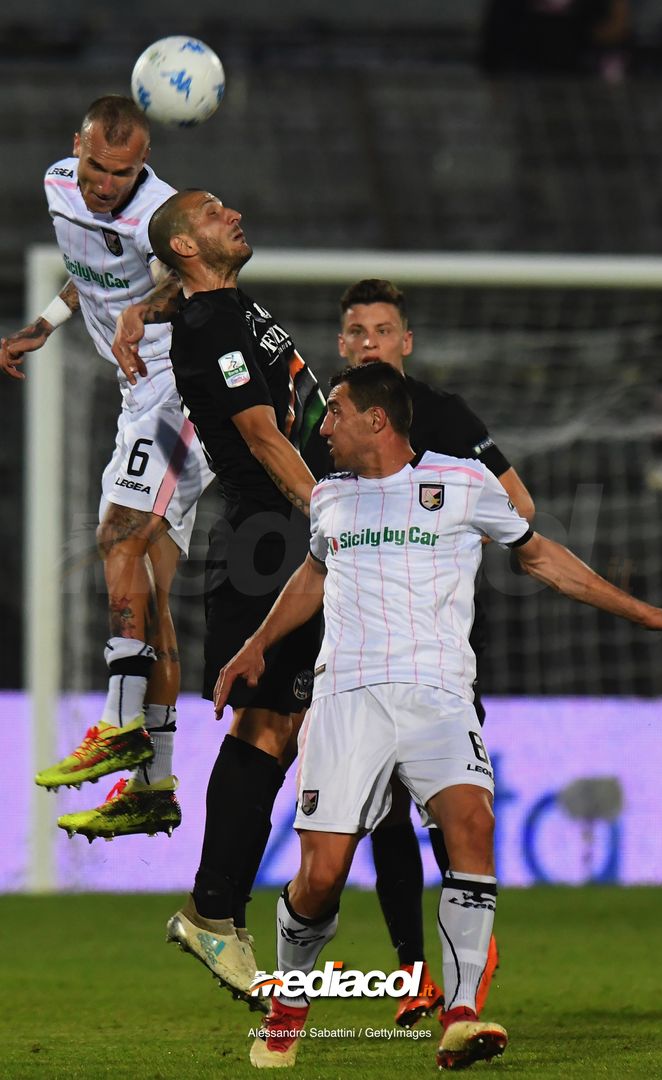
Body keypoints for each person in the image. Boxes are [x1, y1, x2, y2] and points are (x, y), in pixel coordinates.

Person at [214, 361, 662, 1070]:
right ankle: (289, 1005)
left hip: (439, 695)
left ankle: (464, 1012)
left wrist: (648, 613)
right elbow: (315, 574)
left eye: (339, 412)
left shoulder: (463, 484)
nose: (326, 426)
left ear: (377, 421)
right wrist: (257, 644)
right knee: (320, 876)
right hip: (348, 698)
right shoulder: (331, 500)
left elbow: (544, 560)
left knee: (472, 824)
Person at [133, 188, 330, 1007]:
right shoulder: (210, 323)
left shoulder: (220, 304)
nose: (234, 214)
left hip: (283, 528)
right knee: (270, 722)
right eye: (212, 214)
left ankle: (218, 909)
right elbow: (260, 433)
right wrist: (338, 514)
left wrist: (141, 303)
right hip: (269, 534)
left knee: (280, 726)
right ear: (185, 246)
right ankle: (216, 910)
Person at [0, 96, 212, 840]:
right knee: (151, 586)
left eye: (122, 173)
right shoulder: (60, 187)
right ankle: (153, 786)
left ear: (142, 165)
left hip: (181, 390)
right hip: (138, 395)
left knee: (117, 533)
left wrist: (147, 309)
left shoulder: (162, 213)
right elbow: (89, 273)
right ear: (76, 150)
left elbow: (193, 284)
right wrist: (41, 328)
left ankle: (120, 723)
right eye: (97, 166)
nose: (105, 185)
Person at [337, 278, 535, 1026]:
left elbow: (521, 507)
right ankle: (412, 970)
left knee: (449, 813)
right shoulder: (332, 422)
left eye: (381, 331)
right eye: (355, 331)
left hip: (433, 656)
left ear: (405, 343)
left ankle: (463, 964)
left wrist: (448, 535)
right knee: (380, 814)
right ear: (340, 342)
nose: (367, 343)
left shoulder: (443, 416)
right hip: (355, 651)